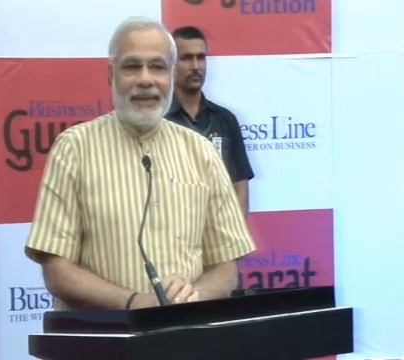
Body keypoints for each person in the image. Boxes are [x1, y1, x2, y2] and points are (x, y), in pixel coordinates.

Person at [24, 17, 256, 311]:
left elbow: (225, 268)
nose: (146, 79)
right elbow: (58, 272)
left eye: (158, 67)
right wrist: (135, 303)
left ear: (171, 75)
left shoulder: (202, 151)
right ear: (112, 74)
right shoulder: (74, 148)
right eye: (132, 66)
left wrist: (192, 297)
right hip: (105, 344)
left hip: (183, 340)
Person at [165, 26, 254, 218]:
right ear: (171, 65)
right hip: (171, 239)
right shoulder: (158, 121)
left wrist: (232, 240)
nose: (196, 66)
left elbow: (240, 187)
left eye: (201, 57)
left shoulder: (226, 120)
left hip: (221, 238)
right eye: (187, 58)